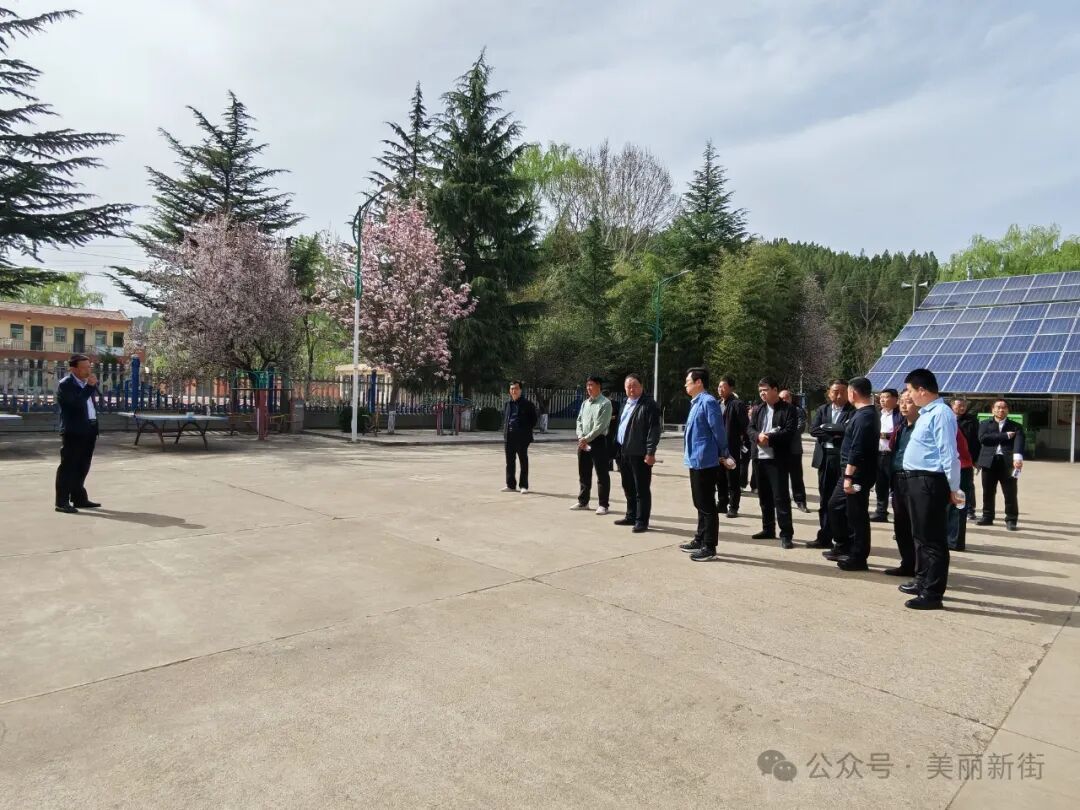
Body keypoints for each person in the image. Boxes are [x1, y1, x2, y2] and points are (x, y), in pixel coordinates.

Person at [899, 368, 962, 611]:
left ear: (922, 390)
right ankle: (923, 580)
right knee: (920, 535)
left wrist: (954, 487)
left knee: (933, 539)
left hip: (930, 481)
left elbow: (949, 453)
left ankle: (933, 593)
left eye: (911, 390)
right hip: (916, 479)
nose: (909, 395)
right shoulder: (927, 413)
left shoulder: (942, 414)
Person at [679, 368, 732, 561]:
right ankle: (700, 538)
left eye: (688, 381)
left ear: (698, 382)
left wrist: (725, 453)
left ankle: (709, 546)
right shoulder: (696, 403)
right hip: (695, 460)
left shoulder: (708, 402)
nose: (685, 385)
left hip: (705, 460)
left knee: (707, 503)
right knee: (699, 502)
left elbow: (718, 430)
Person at [826, 377, 878, 571]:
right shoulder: (861, 414)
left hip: (856, 474)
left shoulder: (866, 416)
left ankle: (858, 556)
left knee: (857, 514)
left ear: (853, 393)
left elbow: (858, 448)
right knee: (836, 506)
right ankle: (843, 545)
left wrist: (848, 476)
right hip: (850, 472)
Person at [748, 377, 798, 549]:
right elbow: (750, 428)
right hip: (759, 458)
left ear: (775, 390)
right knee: (764, 497)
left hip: (778, 460)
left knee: (780, 497)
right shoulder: (758, 409)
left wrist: (769, 438)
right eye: (760, 391)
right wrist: (758, 436)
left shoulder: (788, 410)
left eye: (765, 390)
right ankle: (768, 529)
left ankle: (786, 534)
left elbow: (789, 431)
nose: (762, 393)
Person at [807, 380, 855, 549]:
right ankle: (824, 536)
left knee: (842, 501)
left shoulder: (852, 411)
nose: (838, 395)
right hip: (824, 458)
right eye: (835, 391)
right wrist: (833, 435)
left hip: (841, 459)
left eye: (842, 391)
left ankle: (843, 538)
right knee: (825, 499)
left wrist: (828, 429)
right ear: (829, 393)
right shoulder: (823, 409)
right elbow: (814, 430)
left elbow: (848, 431)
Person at [613, 373, 661, 533]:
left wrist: (650, 452)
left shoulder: (649, 405)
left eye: (634, 385)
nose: (631, 389)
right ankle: (631, 515)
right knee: (628, 486)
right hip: (623, 451)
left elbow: (654, 430)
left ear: (642, 386)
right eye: (628, 386)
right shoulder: (625, 403)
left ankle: (641, 520)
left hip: (639, 453)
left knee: (641, 488)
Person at [55, 354, 101, 513]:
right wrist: (89, 387)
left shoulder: (86, 383)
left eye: (89, 367)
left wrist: (90, 386)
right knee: (68, 466)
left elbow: (88, 405)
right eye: (84, 367)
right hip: (74, 431)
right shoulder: (66, 384)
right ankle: (61, 502)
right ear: (73, 369)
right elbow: (75, 404)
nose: (88, 370)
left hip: (89, 429)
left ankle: (79, 498)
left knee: (83, 466)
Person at [884, 391, 919, 577]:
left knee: (917, 526)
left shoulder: (924, 427)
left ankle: (920, 568)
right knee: (901, 524)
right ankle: (907, 563)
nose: (904, 406)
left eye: (909, 402)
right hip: (898, 479)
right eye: (902, 402)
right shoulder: (901, 427)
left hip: (916, 480)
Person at [975, 399, 1024, 531]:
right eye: (998, 407)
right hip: (988, 462)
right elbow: (983, 439)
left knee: (1010, 492)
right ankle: (987, 516)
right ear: (993, 410)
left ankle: (1011, 519)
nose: (1001, 410)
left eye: (1004, 407)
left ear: (1008, 410)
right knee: (988, 491)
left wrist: (1018, 458)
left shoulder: (1015, 426)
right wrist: (1005, 436)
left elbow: (1019, 443)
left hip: (1007, 462)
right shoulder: (985, 424)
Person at [570, 376, 613, 515]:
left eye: (591, 385)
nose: (589, 388)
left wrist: (586, 438)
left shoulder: (605, 403)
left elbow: (600, 426)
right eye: (587, 385)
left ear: (599, 386)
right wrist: (580, 436)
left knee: (602, 474)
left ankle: (603, 505)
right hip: (583, 442)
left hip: (598, 441)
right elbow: (579, 421)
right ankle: (583, 502)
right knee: (584, 473)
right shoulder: (585, 403)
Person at [717, 376, 749, 518]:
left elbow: (745, 426)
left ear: (731, 388)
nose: (720, 389)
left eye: (723, 386)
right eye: (719, 386)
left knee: (732, 479)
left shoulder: (737, 404)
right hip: (717, 448)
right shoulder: (717, 404)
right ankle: (722, 503)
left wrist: (743, 442)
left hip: (732, 448)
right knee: (720, 478)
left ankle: (733, 507)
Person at [871, 388, 902, 523]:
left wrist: (887, 436)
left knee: (895, 486)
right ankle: (881, 512)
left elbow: (901, 432)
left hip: (893, 455)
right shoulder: (877, 413)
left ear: (895, 399)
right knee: (880, 485)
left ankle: (899, 514)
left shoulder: (900, 415)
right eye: (881, 397)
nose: (883, 400)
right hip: (878, 454)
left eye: (886, 397)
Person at [502, 380, 537, 494]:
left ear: (520, 390)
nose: (514, 391)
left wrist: (524, 432)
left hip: (522, 438)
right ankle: (510, 485)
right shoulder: (508, 404)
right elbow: (506, 419)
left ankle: (523, 486)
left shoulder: (528, 404)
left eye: (516, 388)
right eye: (512, 389)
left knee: (523, 462)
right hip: (509, 437)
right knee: (509, 462)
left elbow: (534, 420)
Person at [779, 389, 809, 512]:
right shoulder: (777, 411)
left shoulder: (798, 410)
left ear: (791, 398)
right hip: (780, 449)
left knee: (796, 477)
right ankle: (782, 501)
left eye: (786, 397)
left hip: (794, 449)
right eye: (781, 398)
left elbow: (801, 426)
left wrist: (787, 434)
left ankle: (800, 501)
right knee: (780, 477)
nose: (784, 400)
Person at [947, 422, 974, 551]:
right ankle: (950, 539)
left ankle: (955, 541)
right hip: (953, 466)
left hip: (960, 467)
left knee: (958, 505)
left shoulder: (947, 423)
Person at [952, 397, 979, 518]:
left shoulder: (972, 421)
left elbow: (976, 441)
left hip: (966, 458)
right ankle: (955, 507)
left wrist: (976, 459)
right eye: (959, 406)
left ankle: (969, 509)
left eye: (964, 406)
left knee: (967, 485)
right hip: (951, 457)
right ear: (952, 406)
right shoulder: (947, 419)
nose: (962, 408)